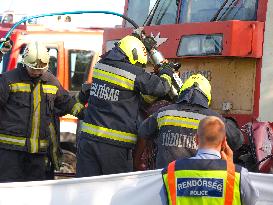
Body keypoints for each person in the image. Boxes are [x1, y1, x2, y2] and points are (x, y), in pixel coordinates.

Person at [76, 35, 175, 177]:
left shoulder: (100, 65)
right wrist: (167, 71)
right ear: (132, 57)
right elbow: (161, 87)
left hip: (88, 141)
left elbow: (125, 97)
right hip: (115, 146)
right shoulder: (132, 73)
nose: (138, 68)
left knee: (86, 188)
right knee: (117, 192)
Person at [0, 42, 85, 182]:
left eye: (40, 69)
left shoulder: (51, 81)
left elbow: (66, 102)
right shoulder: (8, 80)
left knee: (36, 195)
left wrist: (87, 114)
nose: (36, 72)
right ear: (24, 63)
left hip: (38, 157)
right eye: (32, 68)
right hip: (10, 154)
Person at [135, 74, 244, 169]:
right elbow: (238, 141)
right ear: (207, 97)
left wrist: (137, 162)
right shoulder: (214, 120)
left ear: (182, 91)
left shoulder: (163, 113)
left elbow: (142, 131)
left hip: (166, 182)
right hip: (198, 183)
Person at [162, 116, 258, 205]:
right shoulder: (238, 175)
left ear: (196, 139)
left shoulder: (170, 171)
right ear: (224, 141)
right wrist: (230, 166)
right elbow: (252, 201)